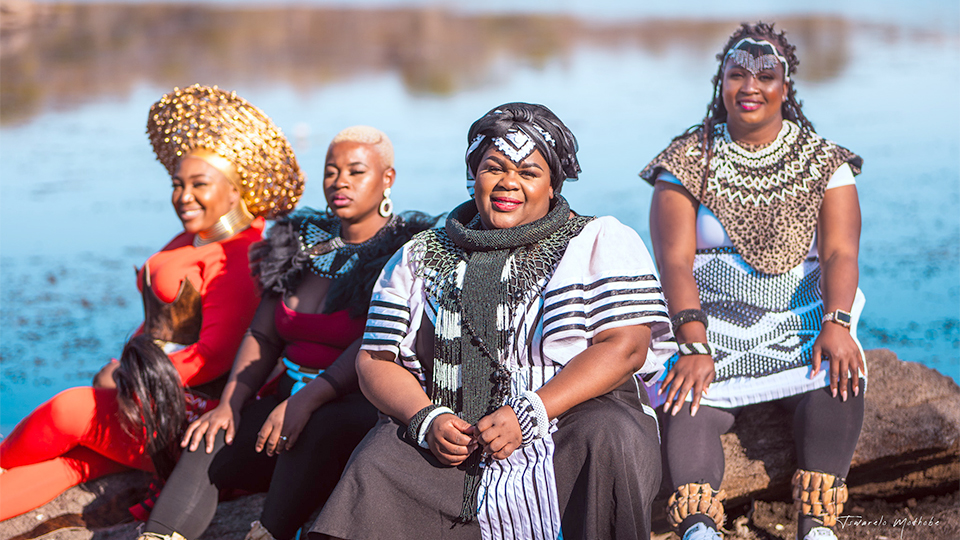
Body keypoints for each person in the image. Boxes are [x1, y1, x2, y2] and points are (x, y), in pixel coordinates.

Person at [310, 103, 675, 540]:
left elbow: (627, 346)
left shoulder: (598, 240)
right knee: (380, 458)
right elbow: (374, 360)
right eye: (494, 167)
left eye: (529, 172)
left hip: (570, 429)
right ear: (473, 175)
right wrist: (426, 418)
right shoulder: (420, 254)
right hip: (459, 440)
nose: (509, 183)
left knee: (608, 434)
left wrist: (532, 411)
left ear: (554, 184)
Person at [0, 84, 305, 521]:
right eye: (177, 184)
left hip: (187, 410)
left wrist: (131, 378)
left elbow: (216, 355)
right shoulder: (195, 238)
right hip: (155, 391)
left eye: (200, 184)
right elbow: (161, 324)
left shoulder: (236, 254)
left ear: (236, 191)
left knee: (70, 410)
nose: (184, 196)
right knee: (78, 463)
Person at [137, 126, 439, 540]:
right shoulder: (299, 241)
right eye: (331, 171)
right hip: (288, 396)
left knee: (315, 426)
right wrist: (230, 403)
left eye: (356, 171)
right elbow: (263, 336)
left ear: (387, 179)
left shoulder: (406, 252)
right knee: (210, 436)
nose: (340, 182)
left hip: (357, 406)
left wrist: (307, 400)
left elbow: (374, 342)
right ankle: (156, 536)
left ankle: (269, 532)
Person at [640, 22, 866, 540]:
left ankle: (817, 526)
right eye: (736, 73)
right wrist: (692, 344)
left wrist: (838, 322)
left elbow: (839, 252)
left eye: (766, 75)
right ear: (720, 84)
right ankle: (698, 527)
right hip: (711, 328)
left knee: (840, 383)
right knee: (683, 401)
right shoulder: (685, 160)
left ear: (786, 87)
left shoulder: (824, 162)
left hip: (802, 323)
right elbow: (673, 261)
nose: (750, 86)